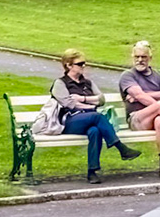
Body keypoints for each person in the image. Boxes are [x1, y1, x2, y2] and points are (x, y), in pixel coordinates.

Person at [51, 49, 140, 183]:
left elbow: (101, 99)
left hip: (88, 119)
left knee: (95, 131)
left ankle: (92, 172)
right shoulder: (60, 83)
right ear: (69, 65)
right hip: (69, 121)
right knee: (97, 116)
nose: (83, 66)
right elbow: (69, 104)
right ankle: (121, 148)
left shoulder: (88, 83)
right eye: (80, 64)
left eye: (84, 63)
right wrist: (91, 104)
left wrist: (83, 99)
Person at [119, 40, 160, 178]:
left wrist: (143, 96)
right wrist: (158, 103)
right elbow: (140, 96)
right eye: (137, 57)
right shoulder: (128, 76)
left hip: (154, 120)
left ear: (150, 58)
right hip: (137, 119)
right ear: (133, 57)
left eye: (144, 57)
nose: (140, 60)